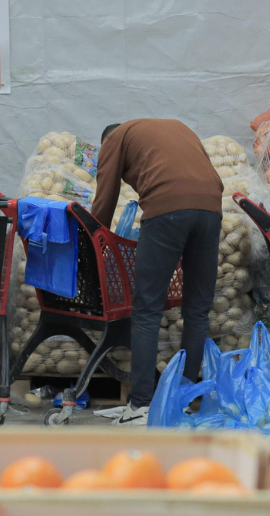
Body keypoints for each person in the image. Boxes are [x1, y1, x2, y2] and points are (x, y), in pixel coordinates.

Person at [89, 119, 224, 424]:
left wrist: (92, 235)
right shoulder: (174, 127)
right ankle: (186, 400)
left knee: (147, 309)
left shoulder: (114, 138)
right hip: (211, 209)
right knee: (197, 309)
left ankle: (140, 405)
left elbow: (105, 196)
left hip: (166, 209)